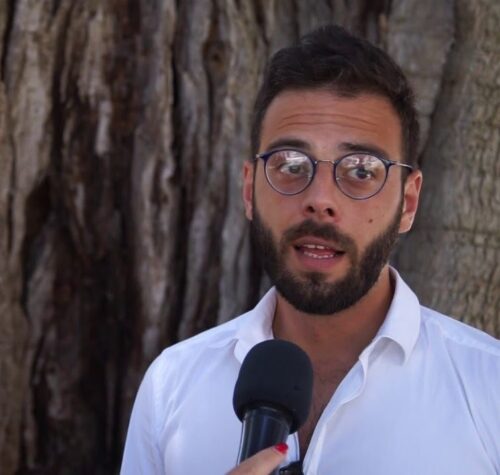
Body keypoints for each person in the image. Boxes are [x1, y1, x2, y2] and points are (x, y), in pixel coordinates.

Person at [121, 25, 500, 474]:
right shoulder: (172, 387)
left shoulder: (488, 389)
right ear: (249, 190)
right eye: (290, 164)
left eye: (362, 170)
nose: (320, 199)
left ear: (408, 202)